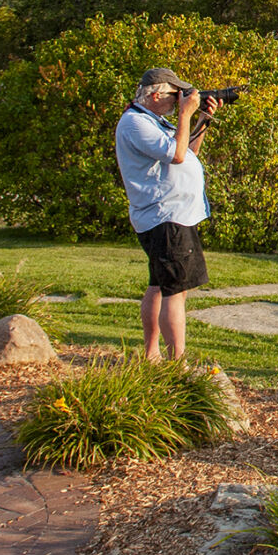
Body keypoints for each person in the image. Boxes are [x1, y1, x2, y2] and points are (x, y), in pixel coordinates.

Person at [114, 67, 222, 360]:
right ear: (157, 94)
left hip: (170, 215)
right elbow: (176, 155)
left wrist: (202, 119)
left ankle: (152, 354)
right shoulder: (136, 124)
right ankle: (177, 362)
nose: (179, 100)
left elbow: (188, 152)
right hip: (166, 217)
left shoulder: (152, 121)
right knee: (175, 291)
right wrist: (185, 115)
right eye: (176, 95)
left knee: (159, 286)